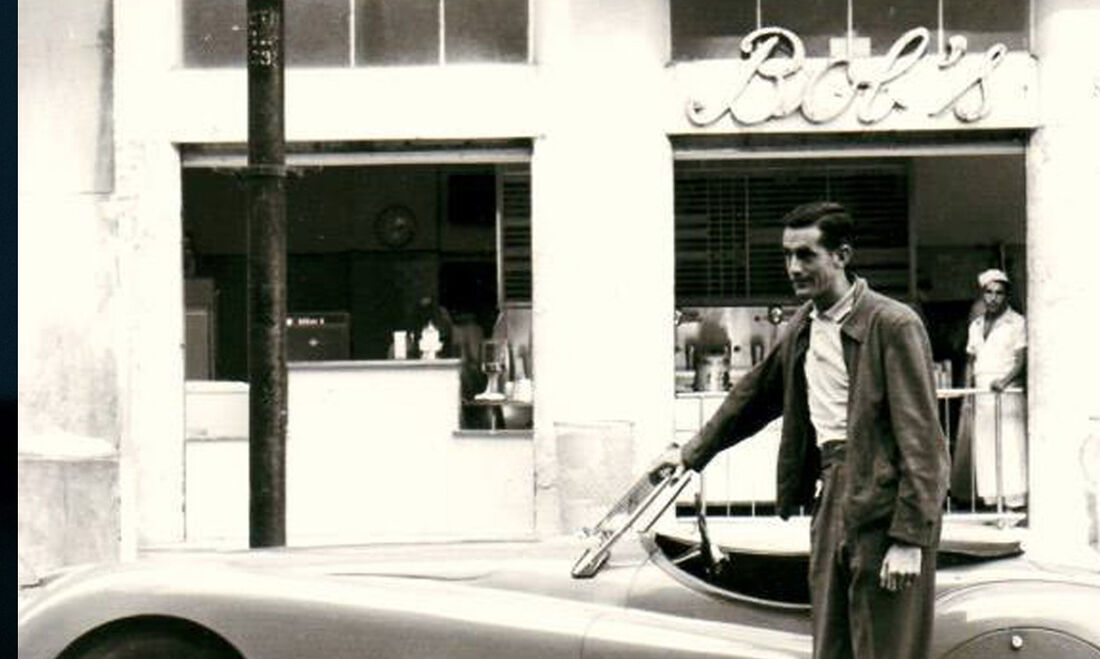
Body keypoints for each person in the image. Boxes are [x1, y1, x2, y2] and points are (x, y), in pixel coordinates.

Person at [654, 201, 949, 659]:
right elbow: (752, 396)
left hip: (885, 503)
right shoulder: (803, 327)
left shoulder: (891, 324)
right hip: (832, 494)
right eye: (788, 255)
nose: (793, 267)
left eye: (806, 255)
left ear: (842, 255)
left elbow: (924, 443)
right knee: (831, 646)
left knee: (886, 648)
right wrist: (690, 453)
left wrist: (910, 538)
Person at [964, 269, 1027, 508]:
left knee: (1009, 445)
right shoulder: (976, 325)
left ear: (1006, 296)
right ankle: (993, 500)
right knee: (986, 445)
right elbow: (972, 360)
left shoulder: (1017, 323)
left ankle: (1014, 501)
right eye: (989, 293)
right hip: (982, 394)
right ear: (982, 295)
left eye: (999, 293)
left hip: (1006, 393)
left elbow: (1021, 360)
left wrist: (1005, 380)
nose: (993, 298)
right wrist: (968, 394)